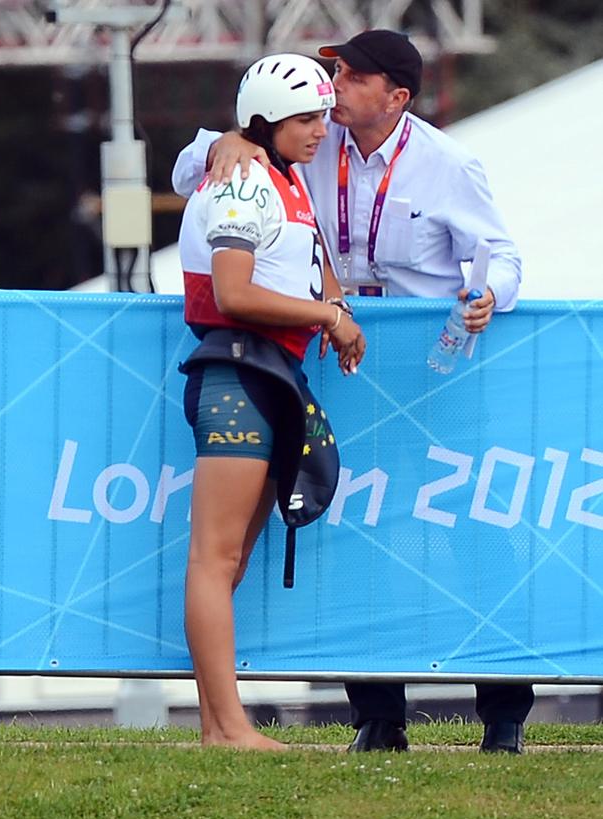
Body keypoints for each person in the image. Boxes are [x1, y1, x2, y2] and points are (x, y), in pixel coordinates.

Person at [172, 30, 530, 755]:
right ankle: (376, 717)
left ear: (396, 97)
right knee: (352, 536)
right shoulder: (303, 141)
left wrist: (490, 291)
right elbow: (201, 165)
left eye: (350, 76)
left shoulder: (447, 162)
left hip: (431, 377)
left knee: (474, 534)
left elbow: (504, 253)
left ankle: (502, 715)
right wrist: (221, 145)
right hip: (334, 364)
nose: (331, 88)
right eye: (329, 73)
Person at [176, 52, 365, 750]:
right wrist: (326, 317)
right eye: (307, 119)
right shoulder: (247, 179)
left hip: (265, 374)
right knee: (215, 557)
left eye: (322, 116)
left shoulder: (279, 176)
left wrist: (335, 306)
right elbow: (233, 293)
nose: (322, 130)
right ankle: (226, 731)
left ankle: (221, 726)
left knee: (230, 558)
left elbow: (311, 265)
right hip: (236, 372)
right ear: (267, 122)